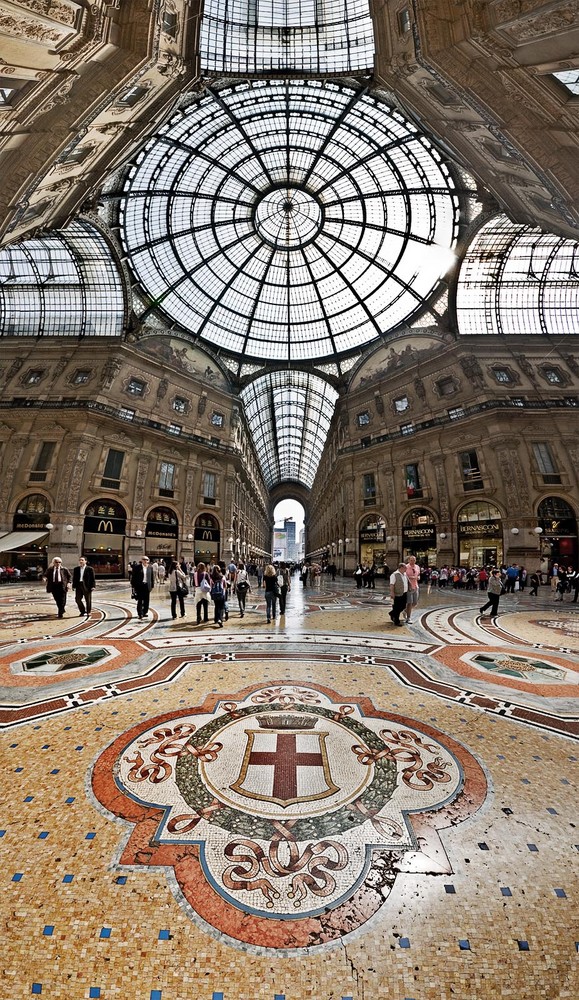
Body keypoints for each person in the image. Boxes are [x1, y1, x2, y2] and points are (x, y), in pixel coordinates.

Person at [131, 555, 154, 620]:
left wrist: (152, 585)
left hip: (147, 586)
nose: (145, 561)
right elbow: (133, 577)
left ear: (148, 561)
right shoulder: (137, 567)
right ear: (141, 560)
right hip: (140, 586)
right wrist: (133, 586)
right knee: (140, 600)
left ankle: (145, 612)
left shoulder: (150, 567)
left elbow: (152, 577)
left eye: (146, 559)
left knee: (147, 600)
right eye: (144, 559)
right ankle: (140, 613)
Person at [404, 554, 420, 624]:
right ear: (408, 560)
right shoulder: (406, 567)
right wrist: (410, 577)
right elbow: (404, 576)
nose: (413, 561)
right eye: (411, 560)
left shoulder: (417, 567)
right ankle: (408, 618)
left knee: (415, 602)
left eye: (414, 560)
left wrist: (418, 577)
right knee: (409, 603)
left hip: (415, 586)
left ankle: (405, 611)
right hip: (409, 587)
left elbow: (418, 575)